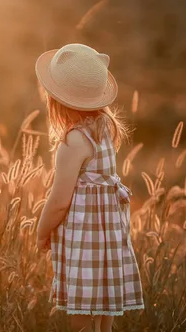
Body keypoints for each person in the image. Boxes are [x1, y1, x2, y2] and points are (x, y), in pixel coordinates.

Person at [35, 43, 144, 331]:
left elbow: (59, 200)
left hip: (84, 239)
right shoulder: (105, 128)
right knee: (105, 309)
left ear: (55, 99)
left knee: (81, 314)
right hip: (108, 235)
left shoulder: (73, 141)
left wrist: (42, 231)